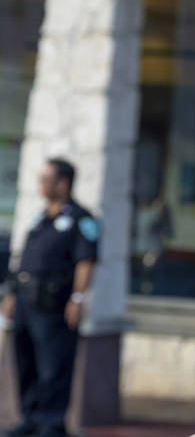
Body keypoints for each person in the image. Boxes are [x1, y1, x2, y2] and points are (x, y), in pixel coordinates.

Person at [2, 158, 99, 437]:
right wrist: (12, 294)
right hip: (26, 301)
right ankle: (30, 419)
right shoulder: (41, 218)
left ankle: (51, 424)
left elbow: (86, 261)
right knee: (26, 362)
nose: (41, 185)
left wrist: (78, 298)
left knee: (54, 367)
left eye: (47, 179)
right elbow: (24, 259)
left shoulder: (81, 219)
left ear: (63, 183)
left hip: (54, 305)